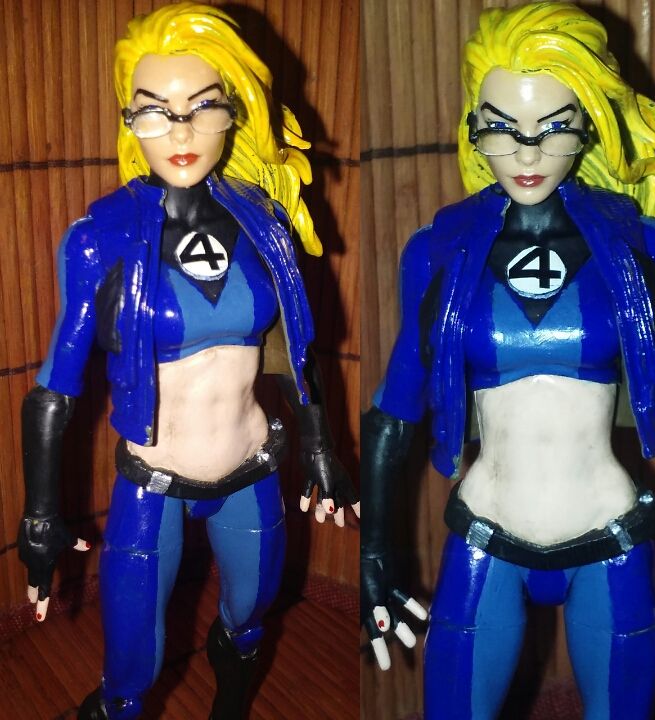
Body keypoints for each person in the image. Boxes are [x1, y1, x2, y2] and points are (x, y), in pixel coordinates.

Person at [361, 3, 655, 718]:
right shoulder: (436, 251)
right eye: (502, 127)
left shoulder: (641, 246)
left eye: (553, 128)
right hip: (486, 535)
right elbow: (394, 414)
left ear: (588, 123)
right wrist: (375, 551)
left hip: (611, 536)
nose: (527, 155)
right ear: (472, 127)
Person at [16, 4, 358, 719]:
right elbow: (55, 390)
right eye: (154, 111)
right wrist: (41, 513)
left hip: (252, 473)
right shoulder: (99, 238)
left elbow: (295, 350)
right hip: (153, 482)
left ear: (235, 111)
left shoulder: (264, 222)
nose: (180, 132)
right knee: (129, 667)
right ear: (128, 121)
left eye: (203, 107)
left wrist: (322, 445)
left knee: (249, 621)